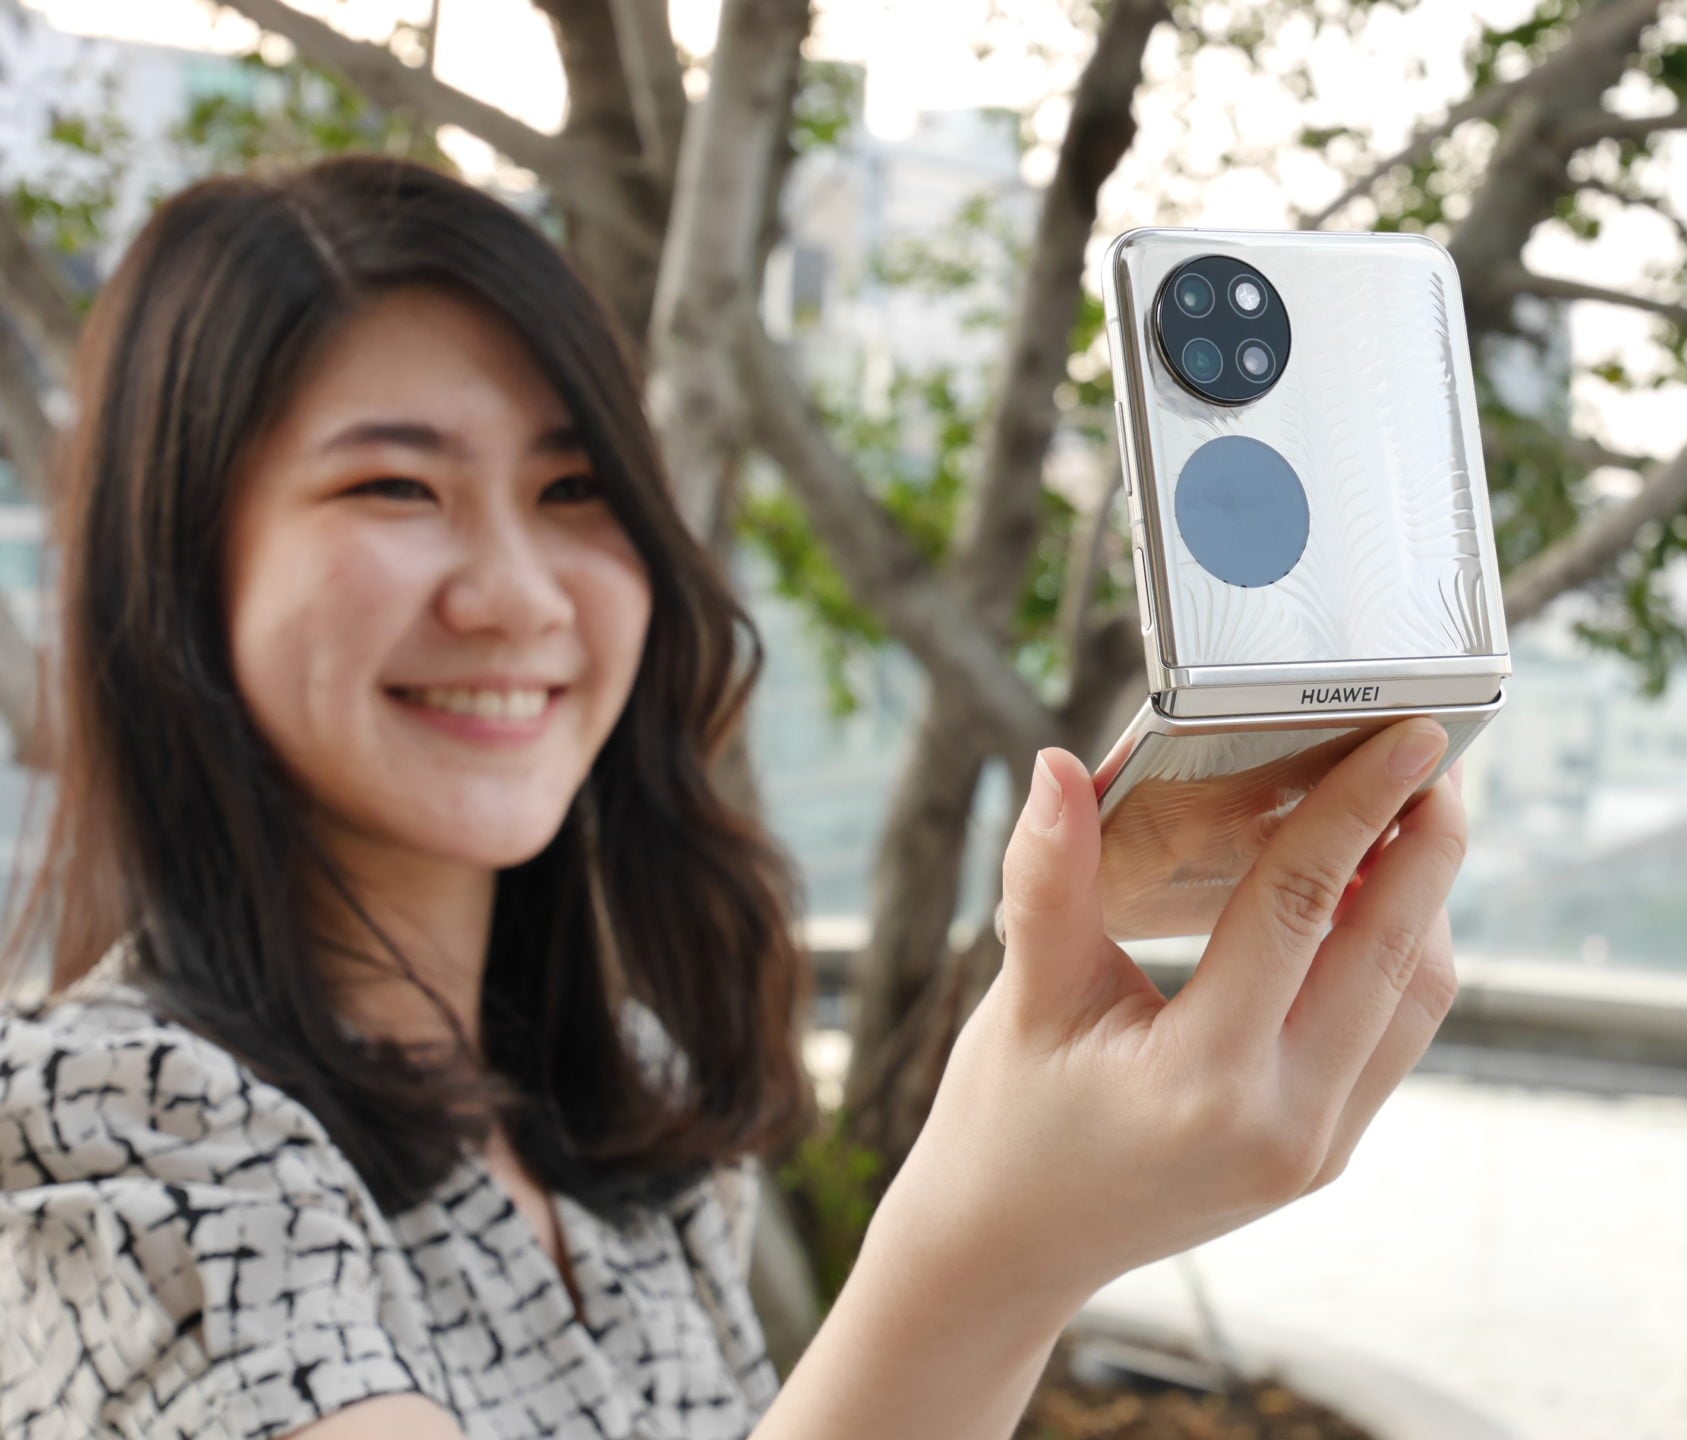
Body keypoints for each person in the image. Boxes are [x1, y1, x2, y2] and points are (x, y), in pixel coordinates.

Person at [0, 155, 1468, 1440]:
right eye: (395, 489)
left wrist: (1017, 1246)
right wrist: (994, 1253)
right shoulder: (106, 1132)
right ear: (182, 570)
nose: (517, 596)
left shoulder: (624, 1099)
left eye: (573, 492)